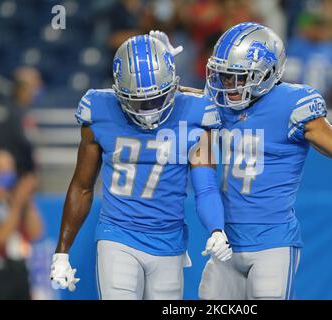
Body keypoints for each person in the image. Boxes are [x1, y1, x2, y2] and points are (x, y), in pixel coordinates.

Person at [178, 22, 332, 300]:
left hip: (272, 242)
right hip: (225, 242)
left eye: (237, 78)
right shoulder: (219, 102)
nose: (227, 86)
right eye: (223, 76)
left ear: (267, 74)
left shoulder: (292, 106)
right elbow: (187, 97)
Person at [49, 34, 232, 300]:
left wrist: (216, 228)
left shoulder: (197, 114)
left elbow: (205, 185)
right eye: (137, 100)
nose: (148, 110)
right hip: (118, 234)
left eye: (157, 98)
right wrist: (61, 251)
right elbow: (83, 185)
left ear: (173, 85)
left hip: (169, 241)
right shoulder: (99, 110)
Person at [0, 151, 42, 299]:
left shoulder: (18, 200)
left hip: (21, 272)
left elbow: (36, 232)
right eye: (1, 168)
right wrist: (17, 205)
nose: (6, 173)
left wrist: (27, 200)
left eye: (9, 168)